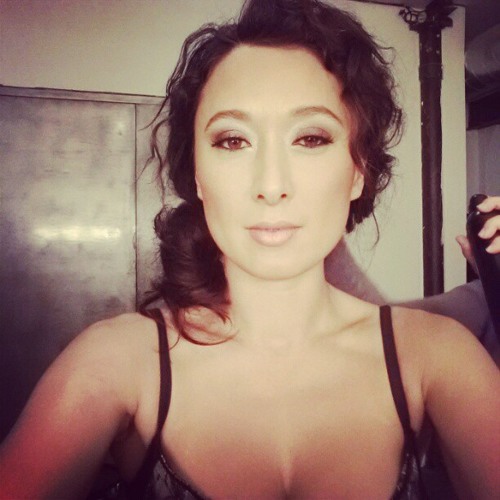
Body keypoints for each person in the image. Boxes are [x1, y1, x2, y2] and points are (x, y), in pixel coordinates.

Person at [1, 0, 499, 499]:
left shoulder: (437, 356)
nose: (271, 185)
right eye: (233, 141)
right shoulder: (115, 363)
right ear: (197, 175)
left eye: (310, 138)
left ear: (357, 172)